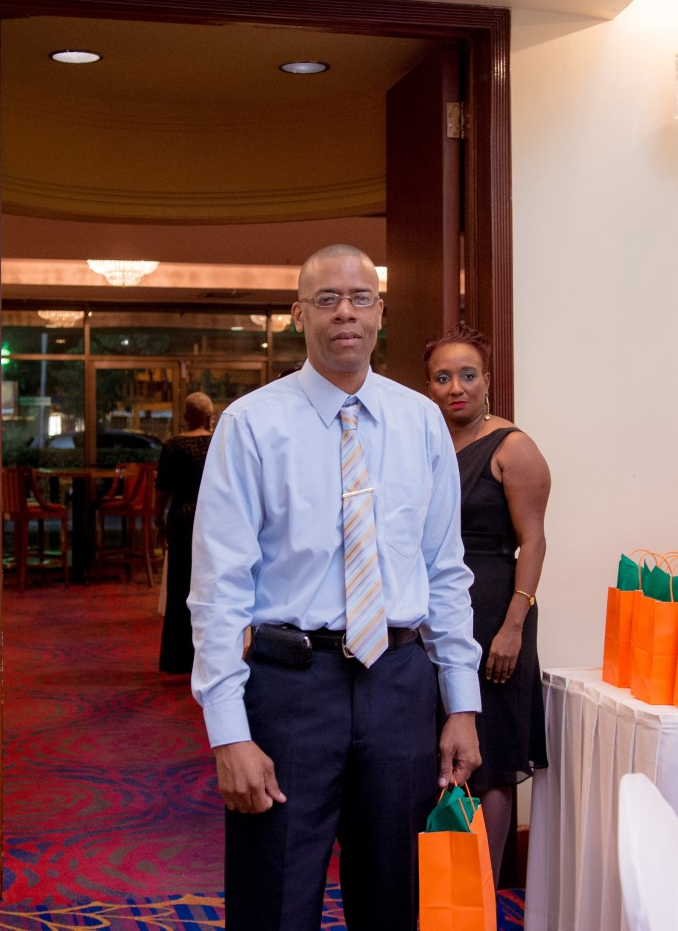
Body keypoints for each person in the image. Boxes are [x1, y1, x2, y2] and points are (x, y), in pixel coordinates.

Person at [188, 244, 482, 931]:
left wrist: (461, 703)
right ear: (299, 315)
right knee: (274, 898)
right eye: (326, 299)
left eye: (359, 298)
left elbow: (445, 570)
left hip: (401, 686)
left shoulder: (420, 422)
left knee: (398, 899)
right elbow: (218, 590)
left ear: (380, 312)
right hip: (290, 690)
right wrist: (227, 732)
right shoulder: (250, 425)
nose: (344, 312)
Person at [424, 325, 551, 885]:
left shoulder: (512, 447)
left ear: (488, 382)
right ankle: (441, 887)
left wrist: (513, 626)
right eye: (442, 377)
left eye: (467, 375)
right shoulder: (426, 442)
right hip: (437, 611)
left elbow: (535, 541)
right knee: (443, 746)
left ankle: (481, 890)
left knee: (492, 755)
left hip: (497, 611)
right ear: (429, 386)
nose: (456, 387)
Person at [154, 392, 214, 674]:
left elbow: (163, 490)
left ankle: (177, 658)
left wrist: (157, 521)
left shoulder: (173, 446)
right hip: (213, 521)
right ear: (208, 417)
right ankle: (209, 655)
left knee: (180, 588)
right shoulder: (217, 442)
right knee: (210, 590)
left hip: (182, 519)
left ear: (187, 415)